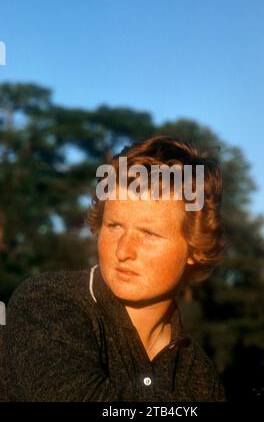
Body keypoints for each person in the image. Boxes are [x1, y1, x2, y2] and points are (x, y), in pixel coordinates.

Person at [1, 135, 225, 402]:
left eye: (149, 233)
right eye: (114, 226)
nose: (123, 250)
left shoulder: (198, 374)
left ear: (195, 249)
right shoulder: (46, 303)